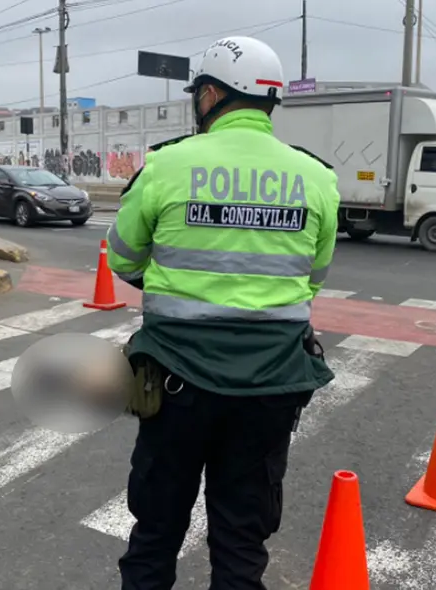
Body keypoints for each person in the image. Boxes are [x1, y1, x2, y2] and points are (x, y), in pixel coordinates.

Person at [106, 36, 340, 589]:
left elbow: (122, 255)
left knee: (156, 533)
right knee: (240, 542)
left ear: (209, 95)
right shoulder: (317, 178)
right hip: (270, 389)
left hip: (175, 385)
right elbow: (313, 278)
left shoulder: (168, 164)